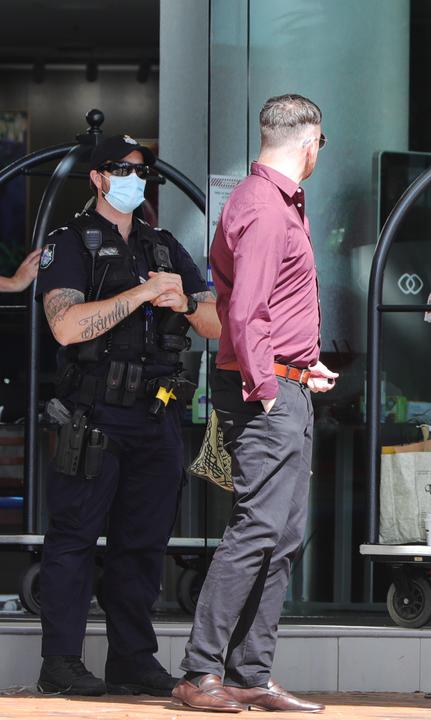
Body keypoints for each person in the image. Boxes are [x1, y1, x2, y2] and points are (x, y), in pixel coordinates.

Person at [35, 134, 219, 696]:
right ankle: (61, 664)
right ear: (97, 177)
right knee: (75, 540)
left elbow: (217, 322)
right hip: (92, 414)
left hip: (156, 414)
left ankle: (133, 659)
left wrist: (185, 303)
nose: (133, 178)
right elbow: (65, 326)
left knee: (143, 544)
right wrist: (140, 296)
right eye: (122, 168)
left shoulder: (162, 245)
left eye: (141, 171)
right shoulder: (69, 242)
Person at [173, 94, 338, 714]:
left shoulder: (270, 202)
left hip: (286, 382)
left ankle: (249, 673)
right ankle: (199, 672)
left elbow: (270, 309)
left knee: (282, 532)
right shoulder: (266, 209)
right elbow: (244, 312)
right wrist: (269, 387)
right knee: (258, 528)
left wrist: (302, 365)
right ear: (310, 142)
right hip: (264, 392)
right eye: (322, 145)